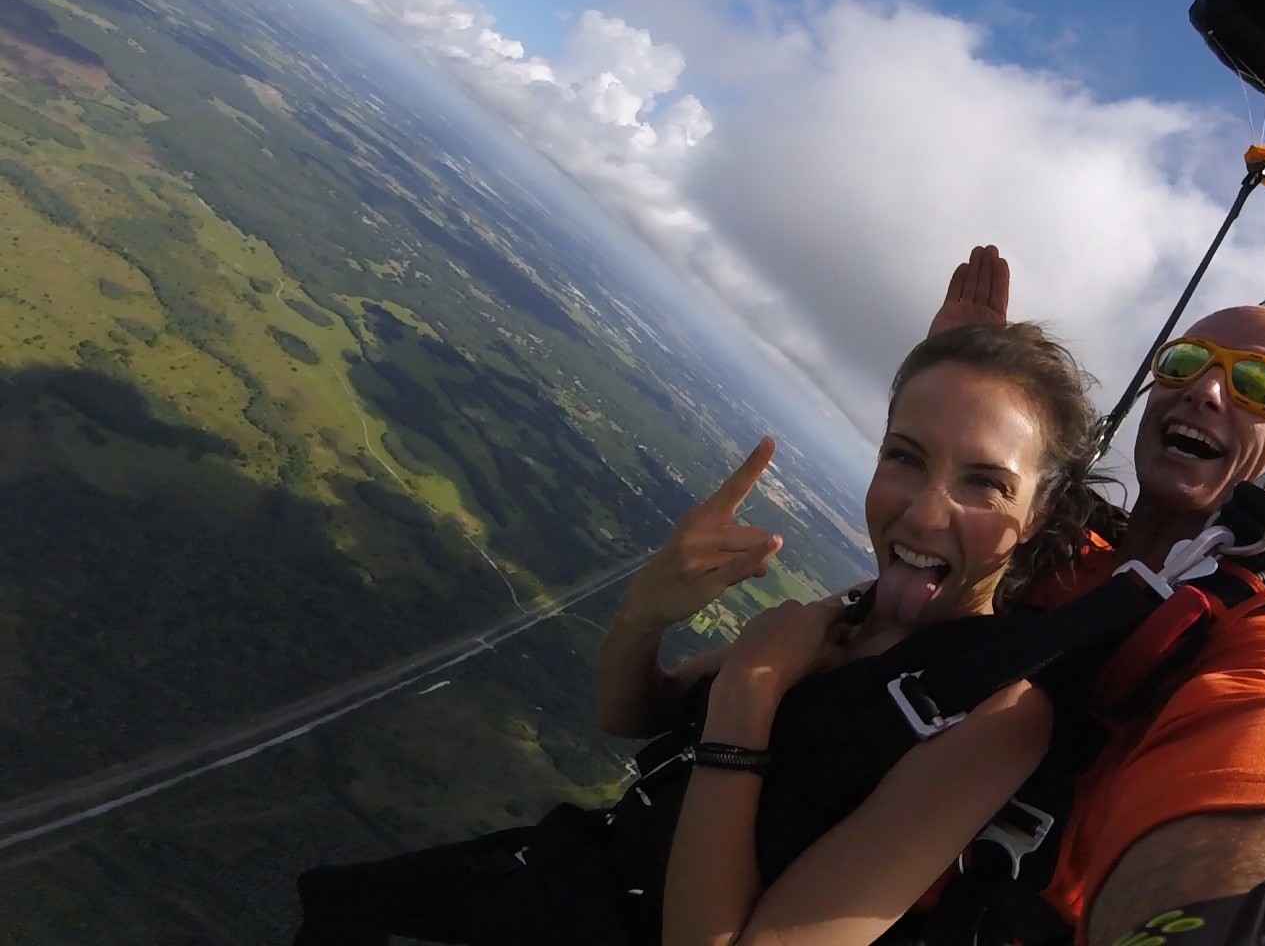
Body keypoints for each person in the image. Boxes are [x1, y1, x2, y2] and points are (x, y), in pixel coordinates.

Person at [294, 321, 1107, 946]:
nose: (925, 513)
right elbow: (632, 713)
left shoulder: (998, 715)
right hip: (520, 887)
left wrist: (751, 695)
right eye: (905, 457)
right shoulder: (847, 612)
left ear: (1039, 515)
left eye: (984, 482)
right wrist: (646, 613)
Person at [927, 247, 1265, 944]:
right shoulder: (1058, 541)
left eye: (1263, 386)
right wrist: (955, 399)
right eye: (1183, 363)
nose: (1204, 391)